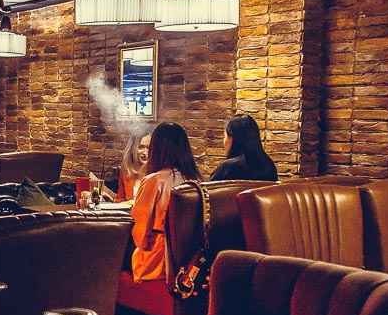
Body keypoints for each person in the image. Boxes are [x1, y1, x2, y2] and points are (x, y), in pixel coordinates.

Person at [131, 122, 200, 283]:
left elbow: (139, 229)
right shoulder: (196, 181)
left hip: (158, 260)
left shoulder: (155, 181)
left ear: (157, 149)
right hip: (188, 257)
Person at [209, 114, 278, 182]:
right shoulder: (269, 165)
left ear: (233, 137)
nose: (224, 141)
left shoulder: (229, 167)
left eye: (225, 136)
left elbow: (208, 188)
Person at [118, 132, 150, 201]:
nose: (145, 153)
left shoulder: (157, 173)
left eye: (149, 148)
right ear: (133, 149)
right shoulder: (125, 172)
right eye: (141, 147)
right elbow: (120, 199)